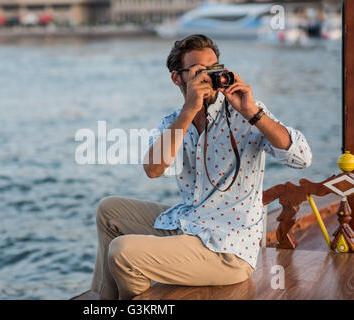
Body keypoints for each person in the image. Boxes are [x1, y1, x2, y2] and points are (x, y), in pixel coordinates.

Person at [89, 34, 312, 300]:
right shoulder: (175, 121)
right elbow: (153, 169)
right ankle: (104, 300)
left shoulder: (245, 113)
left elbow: (302, 158)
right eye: (198, 72)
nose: (209, 78)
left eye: (214, 69)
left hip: (229, 250)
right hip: (193, 225)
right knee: (108, 210)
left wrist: (253, 113)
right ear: (177, 78)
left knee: (123, 252)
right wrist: (188, 111)